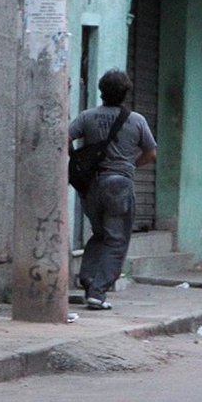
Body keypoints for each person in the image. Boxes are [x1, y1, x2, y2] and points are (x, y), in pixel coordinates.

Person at [69, 69, 157, 310]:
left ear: (101, 91)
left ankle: (88, 279)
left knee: (100, 234)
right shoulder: (136, 120)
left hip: (91, 186)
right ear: (126, 93)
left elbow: (64, 137)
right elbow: (151, 153)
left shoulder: (87, 117)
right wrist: (131, 164)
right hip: (119, 184)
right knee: (116, 240)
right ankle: (98, 293)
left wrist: (76, 159)